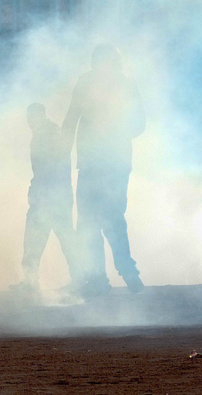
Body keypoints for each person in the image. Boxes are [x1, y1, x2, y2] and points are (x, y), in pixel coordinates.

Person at [62, 44, 146, 297]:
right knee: (95, 220)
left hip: (109, 162)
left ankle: (118, 273)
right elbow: (72, 118)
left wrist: (112, 130)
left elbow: (138, 123)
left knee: (104, 218)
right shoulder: (101, 84)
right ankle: (107, 276)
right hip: (98, 162)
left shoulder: (119, 85)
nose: (103, 69)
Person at [18, 103, 76, 291]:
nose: (29, 122)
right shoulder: (47, 133)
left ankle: (31, 282)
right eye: (28, 118)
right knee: (55, 239)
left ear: (40, 116)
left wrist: (35, 191)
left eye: (32, 117)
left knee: (40, 238)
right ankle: (30, 281)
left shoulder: (46, 135)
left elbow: (48, 169)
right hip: (55, 195)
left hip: (50, 197)